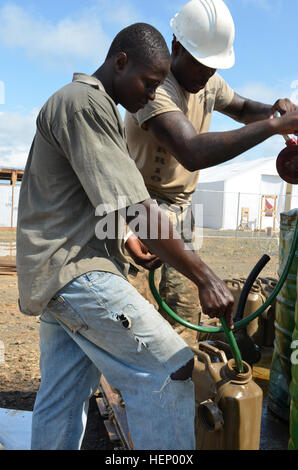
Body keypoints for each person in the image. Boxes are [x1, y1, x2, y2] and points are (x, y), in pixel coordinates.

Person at [16, 23, 235, 451]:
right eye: (149, 82)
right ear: (121, 62)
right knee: (170, 369)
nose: (153, 95)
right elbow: (136, 208)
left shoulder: (93, 108)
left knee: (62, 399)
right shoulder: (84, 104)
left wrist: (129, 241)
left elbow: (96, 200)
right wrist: (204, 276)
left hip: (58, 275)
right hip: (77, 273)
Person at [124, 0, 298, 341]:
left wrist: (275, 112)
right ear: (176, 47)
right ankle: (118, 391)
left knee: (184, 312)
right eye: (201, 64)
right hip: (136, 208)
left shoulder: (208, 82)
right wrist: (274, 128)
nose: (206, 74)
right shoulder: (154, 89)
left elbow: (243, 107)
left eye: (213, 67)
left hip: (181, 209)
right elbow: (191, 151)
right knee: (132, 318)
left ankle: (178, 384)